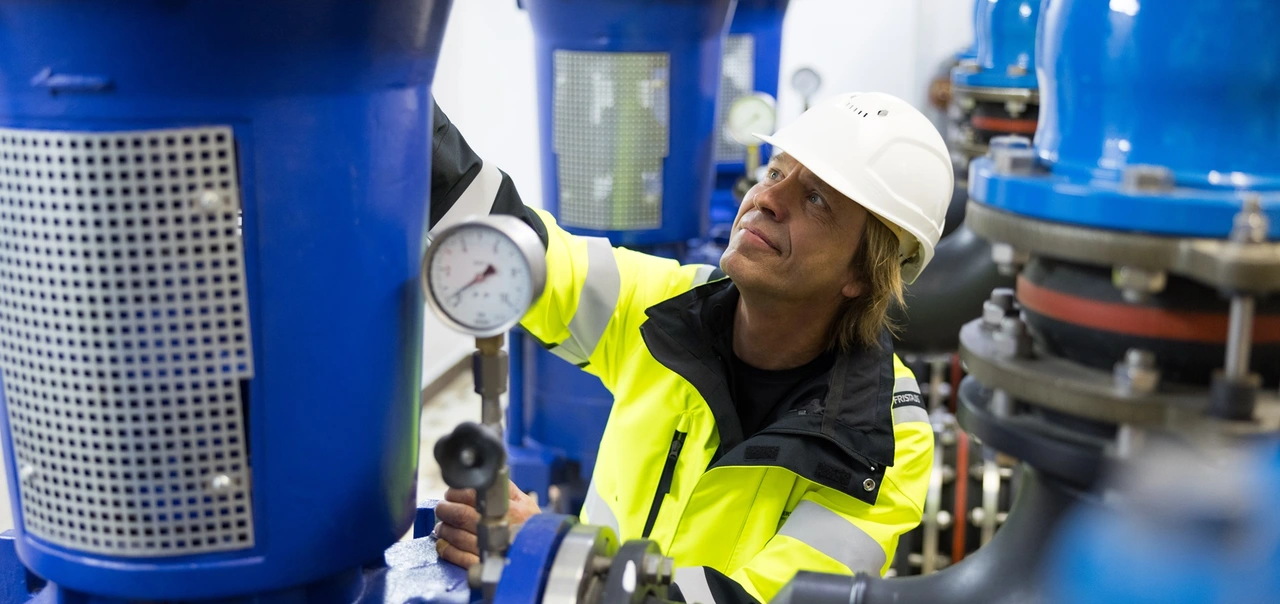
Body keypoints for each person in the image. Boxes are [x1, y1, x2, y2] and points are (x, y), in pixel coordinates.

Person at [429, 92, 952, 603]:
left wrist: (548, 554)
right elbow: (518, 245)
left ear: (865, 271)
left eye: (815, 199)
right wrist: (403, 104)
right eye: (775, 172)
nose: (766, 199)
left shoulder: (882, 443)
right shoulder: (669, 308)